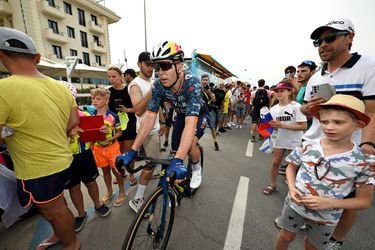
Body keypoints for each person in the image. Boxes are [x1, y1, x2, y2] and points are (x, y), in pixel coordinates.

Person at [0, 27, 80, 250]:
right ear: (36, 58)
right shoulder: (61, 87)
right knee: (57, 203)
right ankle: (59, 234)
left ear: (2, 56)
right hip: (63, 159)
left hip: (39, 167)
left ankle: (72, 243)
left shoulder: (4, 88)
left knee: (51, 208)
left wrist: (8, 135)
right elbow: (74, 120)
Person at [300, 18, 375, 249]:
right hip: (314, 146)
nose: (323, 44)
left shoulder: (368, 66)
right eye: (319, 41)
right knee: (310, 188)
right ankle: (306, 218)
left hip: (349, 151)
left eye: (330, 37)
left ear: (350, 37)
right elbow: (304, 110)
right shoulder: (316, 76)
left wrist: (368, 145)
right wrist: (311, 107)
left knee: (347, 199)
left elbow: (372, 111)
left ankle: (337, 240)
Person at [275, 94, 374, 250]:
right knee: (285, 235)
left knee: (311, 246)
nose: (329, 127)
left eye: (338, 122)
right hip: (294, 205)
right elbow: (291, 167)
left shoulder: (364, 161)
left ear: (358, 125)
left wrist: (331, 203)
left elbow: (364, 201)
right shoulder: (308, 145)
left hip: (327, 217)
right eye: (324, 121)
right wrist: (292, 188)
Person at [116, 41, 209, 199]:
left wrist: (180, 159)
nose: (160, 72)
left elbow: (191, 123)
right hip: (180, 115)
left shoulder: (192, 82)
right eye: (156, 67)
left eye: (165, 65)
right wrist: (132, 150)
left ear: (179, 66)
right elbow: (149, 118)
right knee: (174, 150)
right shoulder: (158, 85)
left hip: (198, 115)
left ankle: (196, 167)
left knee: (190, 144)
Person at [60, 81, 110, 233]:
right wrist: (67, 133)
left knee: (91, 182)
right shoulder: (54, 118)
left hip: (85, 154)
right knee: (73, 187)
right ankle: (81, 214)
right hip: (66, 157)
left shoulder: (87, 115)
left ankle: (97, 204)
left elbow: (99, 134)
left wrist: (104, 130)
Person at [126, 51, 164, 213]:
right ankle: (137, 199)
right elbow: (138, 110)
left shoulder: (152, 81)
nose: (151, 68)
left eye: (153, 65)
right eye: (148, 64)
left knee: (152, 164)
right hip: (146, 132)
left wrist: (162, 121)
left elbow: (157, 104)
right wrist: (152, 91)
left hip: (154, 129)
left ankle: (140, 195)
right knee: (150, 166)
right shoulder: (135, 85)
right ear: (139, 64)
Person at [262, 82, 307, 195]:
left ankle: (295, 189)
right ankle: (272, 185)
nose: (279, 93)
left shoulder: (296, 107)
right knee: (275, 162)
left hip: (295, 141)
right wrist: (268, 126)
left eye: (282, 91)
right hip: (279, 140)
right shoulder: (273, 109)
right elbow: (273, 128)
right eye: (277, 91)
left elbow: (303, 126)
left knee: (294, 166)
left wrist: (282, 125)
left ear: (289, 91)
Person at [91, 87, 126, 207]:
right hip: (98, 149)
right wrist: (91, 143)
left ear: (106, 100)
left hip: (112, 148)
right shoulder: (91, 116)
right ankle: (109, 191)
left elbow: (119, 132)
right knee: (105, 172)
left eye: (98, 98)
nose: (94, 101)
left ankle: (122, 192)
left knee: (117, 171)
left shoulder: (113, 116)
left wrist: (112, 137)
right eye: (93, 98)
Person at [107, 66, 137, 186]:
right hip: (115, 125)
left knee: (129, 150)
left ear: (121, 76)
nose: (111, 79)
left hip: (129, 123)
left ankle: (131, 173)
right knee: (118, 151)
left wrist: (126, 109)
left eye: (114, 76)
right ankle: (121, 171)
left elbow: (138, 109)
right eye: (109, 77)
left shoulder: (129, 90)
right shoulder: (108, 92)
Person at [201, 74, 220, 151]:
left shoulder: (211, 89)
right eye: (204, 80)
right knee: (199, 128)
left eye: (206, 80)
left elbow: (214, 99)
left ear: (208, 81)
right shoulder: (198, 88)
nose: (205, 81)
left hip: (209, 111)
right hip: (200, 112)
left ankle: (215, 142)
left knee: (212, 127)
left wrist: (209, 92)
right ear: (201, 80)